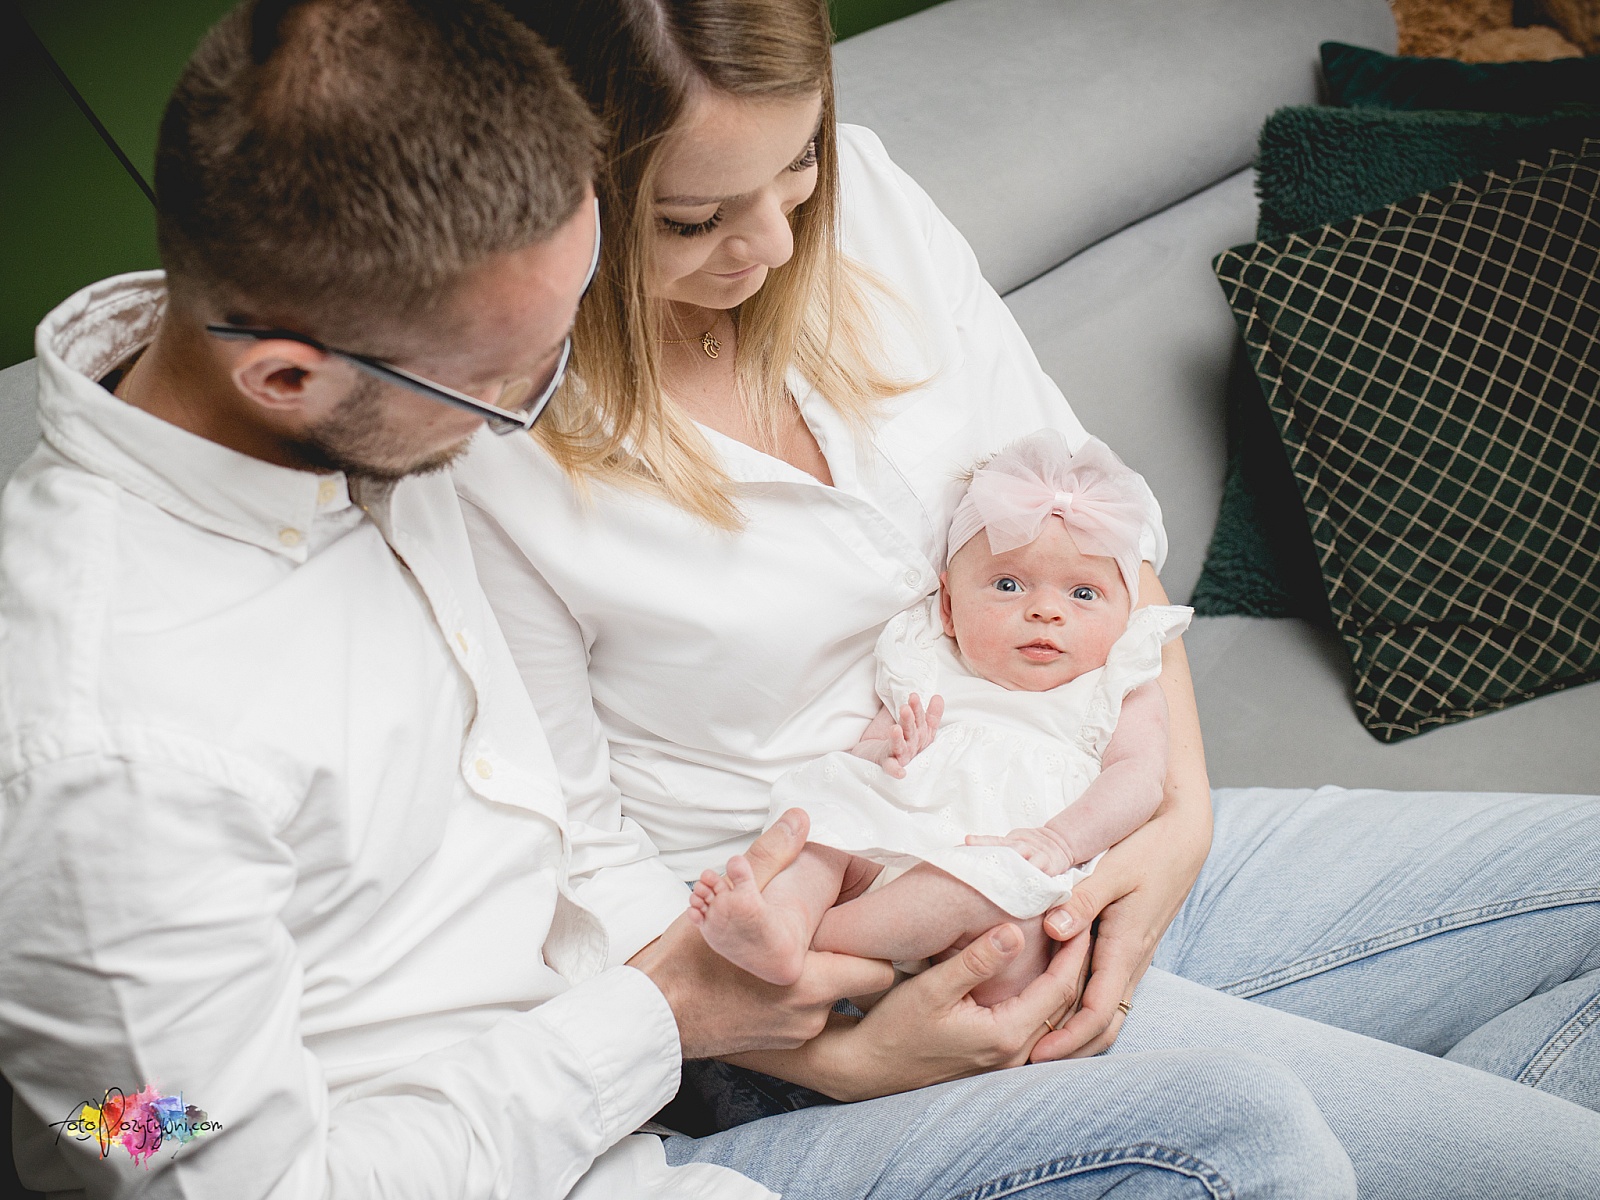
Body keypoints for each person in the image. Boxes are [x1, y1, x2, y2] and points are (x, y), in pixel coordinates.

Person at [0, 2, 1367, 1198]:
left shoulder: (340, 408)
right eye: (514, 385)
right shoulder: (109, 745)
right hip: (548, 1148)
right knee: (1238, 1139)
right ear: (289, 377)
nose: (541, 415)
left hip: (706, 1042)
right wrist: (670, 1021)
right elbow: (132, 1141)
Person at [458, 0, 1600, 1194]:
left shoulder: (870, 199)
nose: (777, 247)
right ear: (552, 192)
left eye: (797, 168)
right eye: (693, 220)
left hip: (1083, 811)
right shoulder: (484, 443)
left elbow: (1094, 518)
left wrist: (1177, 815)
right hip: (872, 952)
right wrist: (837, 1061)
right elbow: (574, 858)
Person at [689, 431, 1190, 1008]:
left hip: (1003, 886)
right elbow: (867, 754)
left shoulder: (1116, 686)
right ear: (949, 607)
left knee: (978, 889)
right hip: (891, 852)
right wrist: (888, 753)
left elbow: (1139, 780)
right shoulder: (929, 660)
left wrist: (1059, 841)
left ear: (1126, 613)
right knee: (824, 827)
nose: (1046, 610)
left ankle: (821, 942)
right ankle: (782, 925)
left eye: (1083, 593)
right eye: (1008, 584)